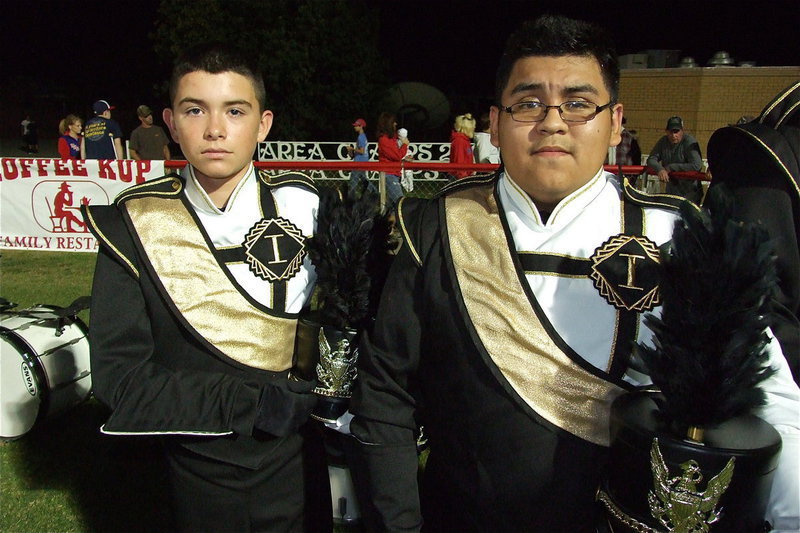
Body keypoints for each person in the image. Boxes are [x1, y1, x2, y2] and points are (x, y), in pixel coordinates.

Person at [348, 15, 799, 532]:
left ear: (616, 121)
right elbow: (386, 394)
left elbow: (771, 400)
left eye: (579, 103)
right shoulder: (433, 228)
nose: (553, 122)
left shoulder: (683, 236)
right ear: (495, 123)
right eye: (528, 102)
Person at [82, 44, 329, 532]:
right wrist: (250, 404)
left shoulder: (312, 204)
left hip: (304, 461)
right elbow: (120, 380)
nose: (215, 129)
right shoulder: (133, 223)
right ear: (171, 123)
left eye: (235, 111)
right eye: (196, 110)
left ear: (263, 124)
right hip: (193, 468)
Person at [646, 115, 703, 202]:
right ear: (666, 131)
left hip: (690, 193)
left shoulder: (689, 142)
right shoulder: (663, 141)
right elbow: (651, 159)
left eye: (676, 131)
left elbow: (697, 165)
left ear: (682, 131)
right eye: (670, 132)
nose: (673, 135)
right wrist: (660, 169)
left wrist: (671, 167)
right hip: (672, 192)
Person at [376, 111, 408, 207]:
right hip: (389, 174)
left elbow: (395, 156)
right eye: (393, 122)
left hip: (394, 173)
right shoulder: (384, 140)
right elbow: (396, 156)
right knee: (400, 203)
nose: (395, 124)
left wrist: (405, 158)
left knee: (391, 206)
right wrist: (405, 145)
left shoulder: (391, 139)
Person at [449, 113, 476, 180]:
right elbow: (459, 162)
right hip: (461, 177)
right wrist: (463, 178)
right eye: (473, 126)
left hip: (465, 176)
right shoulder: (460, 141)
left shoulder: (465, 141)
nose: (474, 128)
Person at [347, 117, 372, 191]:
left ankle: (350, 196)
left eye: (356, 126)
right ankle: (374, 192)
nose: (354, 127)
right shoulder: (363, 136)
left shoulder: (361, 137)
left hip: (359, 162)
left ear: (361, 126)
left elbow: (362, 151)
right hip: (362, 161)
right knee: (364, 181)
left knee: (353, 182)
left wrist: (352, 149)